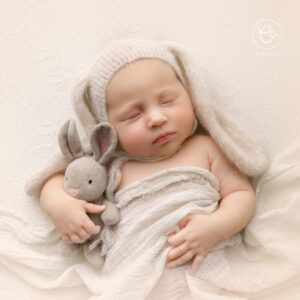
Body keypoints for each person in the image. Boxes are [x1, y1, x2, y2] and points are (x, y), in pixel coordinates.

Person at [25, 38, 268, 299]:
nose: (156, 118)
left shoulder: (205, 148)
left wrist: (215, 227)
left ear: (191, 95)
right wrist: (58, 204)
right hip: (130, 284)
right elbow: (59, 180)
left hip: (203, 277)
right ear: (108, 129)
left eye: (167, 101)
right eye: (133, 115)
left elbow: (241, 195)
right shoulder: (112, 165)